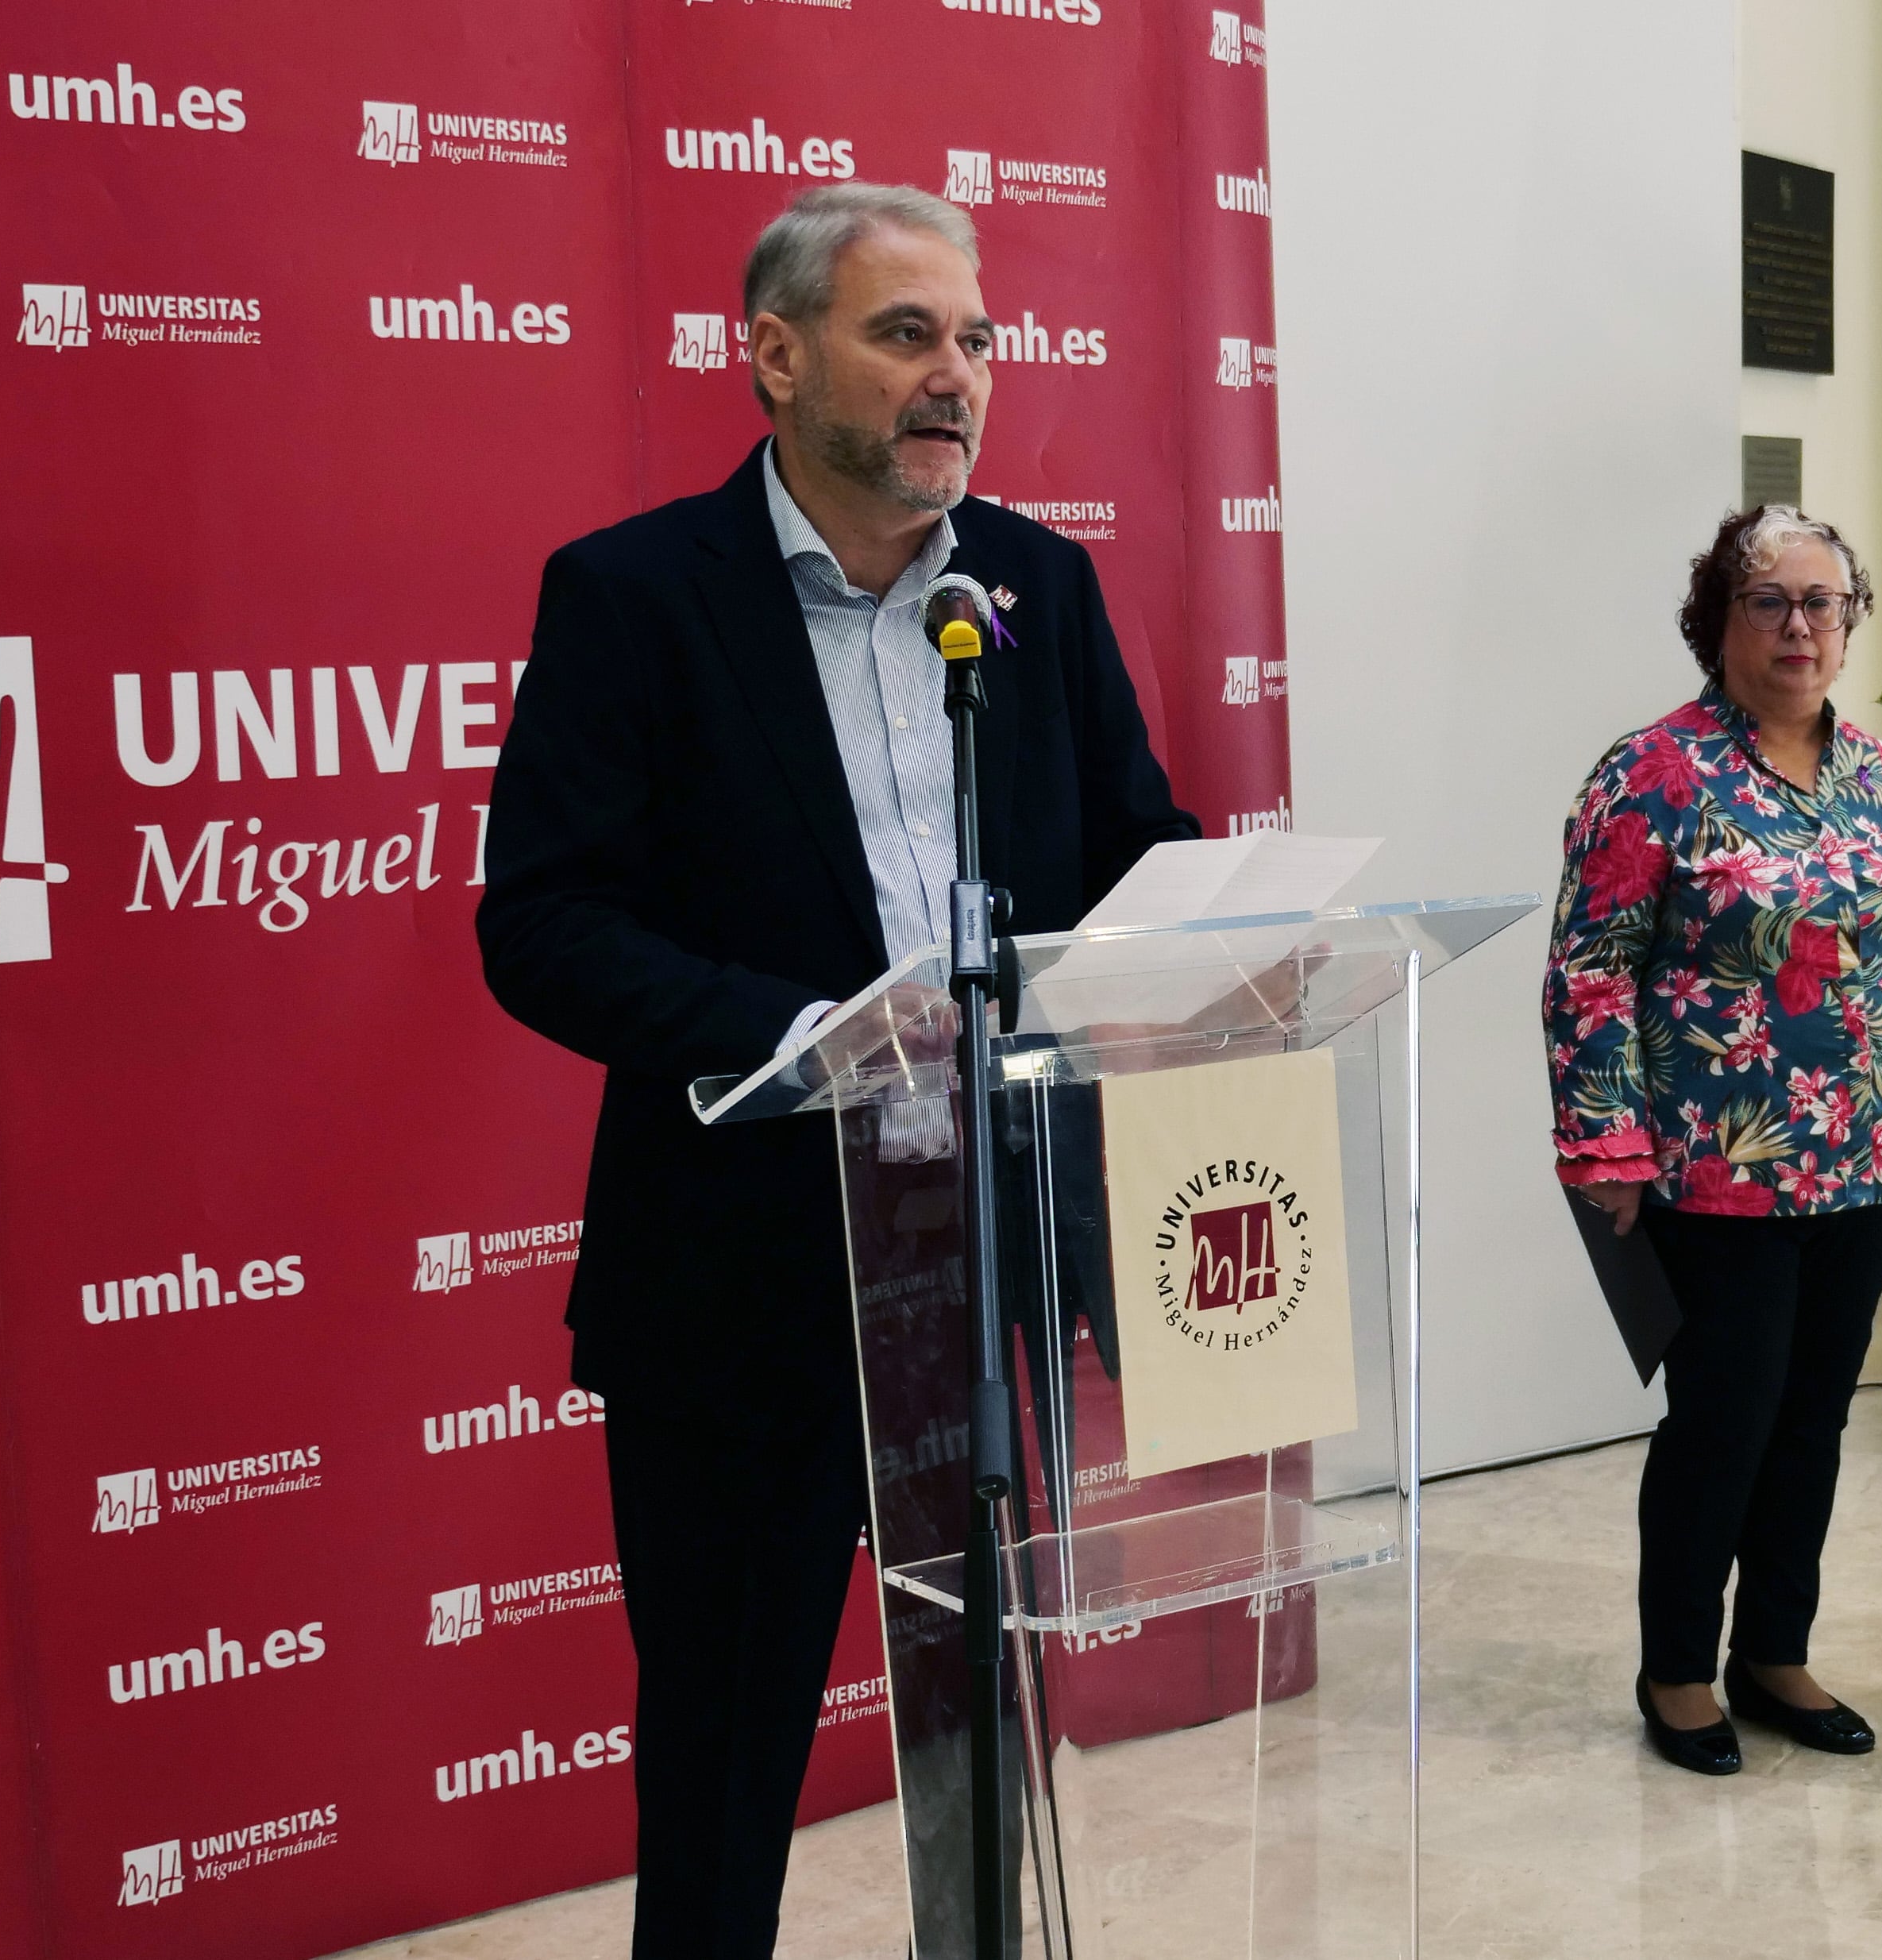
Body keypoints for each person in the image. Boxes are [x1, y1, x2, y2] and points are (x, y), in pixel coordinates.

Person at [476, 182, 1195, 1958]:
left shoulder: (1034, 581)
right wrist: (801, 1035)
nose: (954, 377)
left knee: (979, 1722)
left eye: (973, 340)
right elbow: (544, 922)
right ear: (774, 355)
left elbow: (1128, 849)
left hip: (987, 1253)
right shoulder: (635, 595)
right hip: (744, 1268)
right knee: (724, 1752)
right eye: (905, 336)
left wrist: (1217, 935)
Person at [1543, 507, 1882, 1775]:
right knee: (1724, 1416)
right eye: (1771, 602)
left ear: (1850, 621)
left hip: (1866, 1153)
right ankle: (1678, 1667)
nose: (1801, 627)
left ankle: (1773, 1651)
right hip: (1717, 1158)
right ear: (1719, 618)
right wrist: (1605, 1143)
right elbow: (1591, 972)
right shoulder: (1651, 774)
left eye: (1825, 603)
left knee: (1812, 1415)